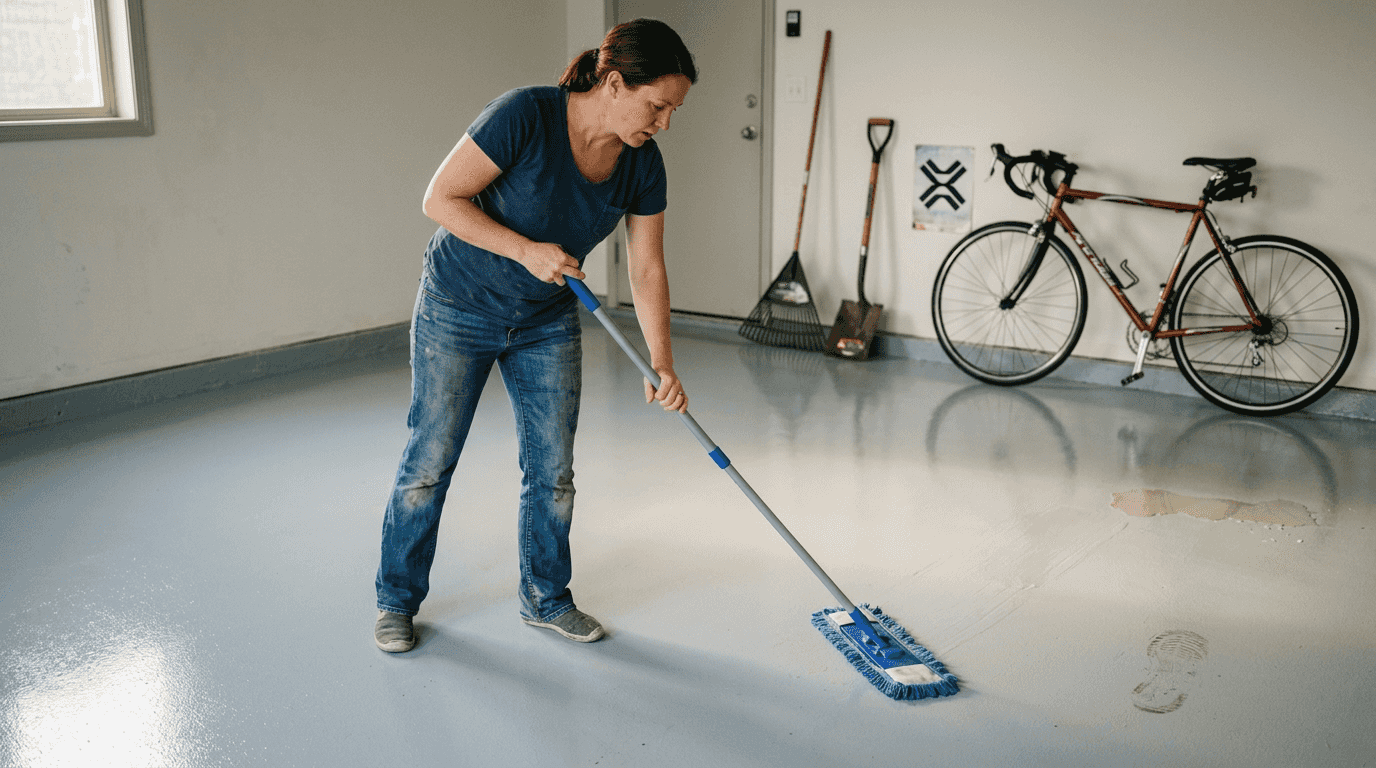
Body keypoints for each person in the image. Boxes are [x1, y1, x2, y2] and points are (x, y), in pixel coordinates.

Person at [374, 19, 698, 652]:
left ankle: (546, 597)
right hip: (458, 304)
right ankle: (395, 600)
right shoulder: (524, 115)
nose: (664, 123)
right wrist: (525, 250)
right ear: (613, 83)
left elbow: (647, 265)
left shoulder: (643, 164)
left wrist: (662, 360)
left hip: (545, 320)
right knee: (430, 461)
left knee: (552, 471)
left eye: (672, 111)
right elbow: (440, 199)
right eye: (658, 105)